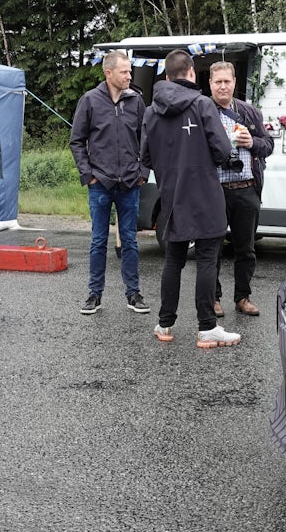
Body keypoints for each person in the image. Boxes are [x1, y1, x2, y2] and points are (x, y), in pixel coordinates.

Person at [142, 50, 240, 348]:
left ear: (168, 76)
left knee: (174, 260)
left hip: (171, 194)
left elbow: (145, 156)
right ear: (192, 74)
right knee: (208, 259)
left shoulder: (150, 111)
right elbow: (222, 151)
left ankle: (164, 323)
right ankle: (207, 328)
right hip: (205, 195)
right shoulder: (202, 105)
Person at [69, 50, 150, 316]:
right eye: (124, 72)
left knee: (130, 240)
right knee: (97, 241)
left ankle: (133, 294)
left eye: (129, 71)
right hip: (100, 183)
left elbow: (147, 140)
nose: (129, 76)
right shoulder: (90, 100)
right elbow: (77, 141)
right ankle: (94, 294)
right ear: (108, 73)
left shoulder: (136, 101)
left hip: (129, 183)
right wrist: (88, 174)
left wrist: (143, 172)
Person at [208, 61, 273, 317]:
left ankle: (242, 297)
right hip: (214, 190)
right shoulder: (203, 111)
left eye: (227, 81)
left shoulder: (250, 112)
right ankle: (213, 298)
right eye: (218, 82)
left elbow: (268, 145)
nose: (223, 86)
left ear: (235, 82)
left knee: (246, 248)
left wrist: (253, 142)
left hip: (246, 189)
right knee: (211, 248)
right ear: (210, 84)